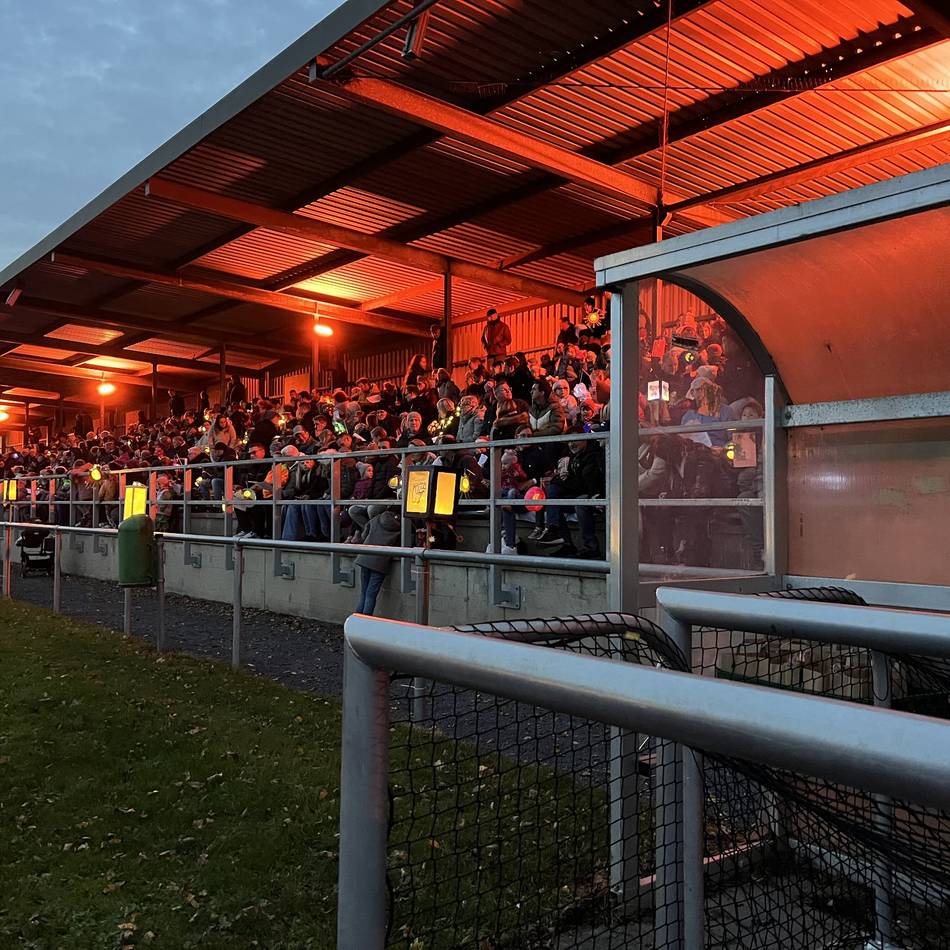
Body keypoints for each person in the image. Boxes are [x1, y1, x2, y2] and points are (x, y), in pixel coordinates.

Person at [351, 504, 401, 616]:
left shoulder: (376, 519)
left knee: (364, 592)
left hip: (365, 557)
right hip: (380, 562)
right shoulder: (400, 526)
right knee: (371, 594)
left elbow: (364, 535)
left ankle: (358, 618)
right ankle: (366, 620)